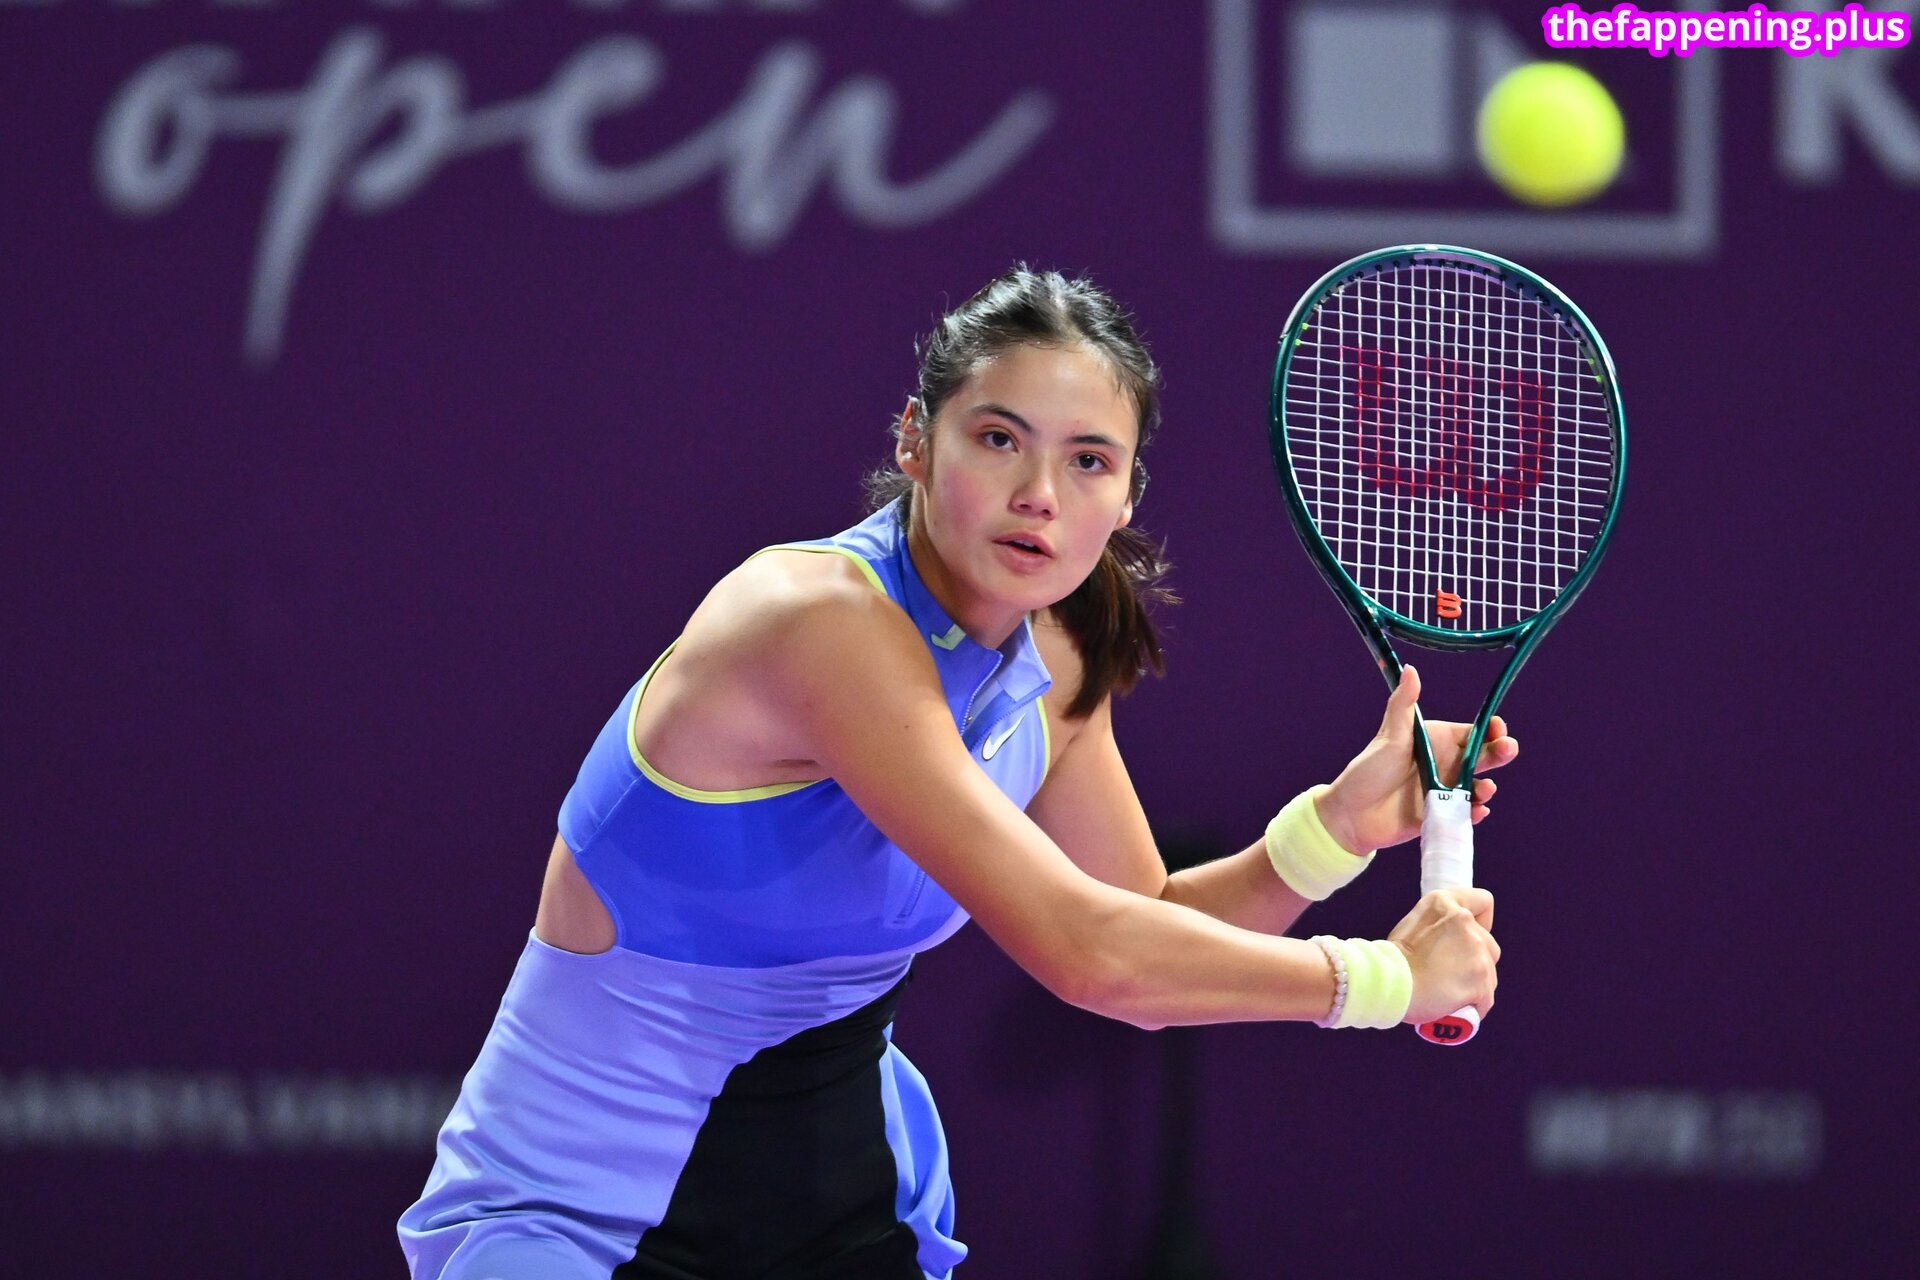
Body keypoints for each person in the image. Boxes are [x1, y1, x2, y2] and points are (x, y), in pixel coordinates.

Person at [398, 267, 1512, 1280]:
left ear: (1127, 496)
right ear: (914, 441)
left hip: (841, 1220)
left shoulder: (1057, 654)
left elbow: (1148, 925)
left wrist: (1335, 829)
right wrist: (1385, 981)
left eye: (1088, 460)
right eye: (998, 439)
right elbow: (1094, 956)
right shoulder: (816, 622)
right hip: (577, 1225)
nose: (1041, 493)